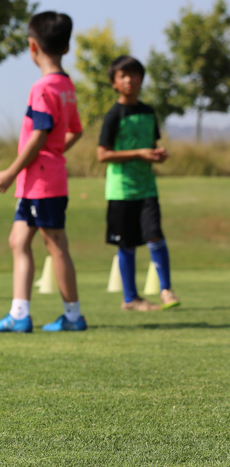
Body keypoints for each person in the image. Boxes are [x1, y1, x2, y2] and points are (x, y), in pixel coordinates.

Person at [0, 11, 87, 333]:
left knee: (56, 245)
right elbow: (76, 130)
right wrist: (55, 154)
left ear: (32, 46)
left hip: (41, 181)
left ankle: (73, 316)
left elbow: (40, 135)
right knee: (18, 240)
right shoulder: (66, 85)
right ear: (66, 48)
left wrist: (12, 170)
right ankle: (19, 314)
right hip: (38, 180)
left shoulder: (42, 88)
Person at [98, 55, 180, 312]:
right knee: (127, 242)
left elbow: (150, 146)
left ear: (142, 79)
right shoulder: (113, 115)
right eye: (122, 76)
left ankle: (166, 290)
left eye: (133, 75)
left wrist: (157, 155)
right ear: (114, 82)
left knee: (155, 235)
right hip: (121, 189)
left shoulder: (148, 112)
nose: (129, 80)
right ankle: (131, 298)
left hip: (146, 187)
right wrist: (139, 154)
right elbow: (102, 155)